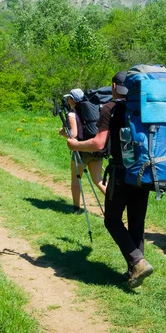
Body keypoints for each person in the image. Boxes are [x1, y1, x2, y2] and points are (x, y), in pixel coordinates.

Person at [67, 72, 154, 288]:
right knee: (136, 222)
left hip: (121, 173)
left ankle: (137, 262)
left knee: (112, 220)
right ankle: (134, 270)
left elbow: (98, 143)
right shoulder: (144, 108)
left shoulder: (110, 108)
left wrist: (76, 145)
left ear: (114, 86)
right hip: (145, 172)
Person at [58, 88, 106, 213]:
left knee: (76, 178)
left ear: (73, 99)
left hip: (81, 150)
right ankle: (117, 205)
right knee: (99, 180)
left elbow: (73, 134)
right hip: (95, 149)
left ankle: (76, 207)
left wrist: (62, 132)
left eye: (69, 98)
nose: (68, 100)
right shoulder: (93, 110)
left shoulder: (72, 113)